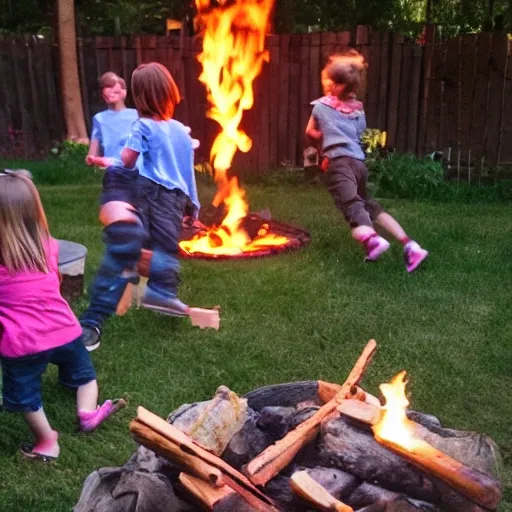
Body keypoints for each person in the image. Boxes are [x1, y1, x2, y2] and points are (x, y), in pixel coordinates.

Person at [0, 170, 125, 462]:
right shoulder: (50, 247)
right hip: (67, 330)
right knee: (84, 376)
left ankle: (46, 441)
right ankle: (87, 413)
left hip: (24, 342)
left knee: (24, 396)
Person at [306, 51, 428, 272]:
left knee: (351, 204)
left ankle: (372, 240)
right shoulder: (358, 110)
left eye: (326, 79)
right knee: (369, 205)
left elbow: (310, 133)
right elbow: (359, 133)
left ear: (334, 84)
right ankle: (410, 246)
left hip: (338, 164)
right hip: (358, 163)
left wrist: (323, 140)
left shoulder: (320, 106)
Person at [120, 62, 200, 316]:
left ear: (139, 95)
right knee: (164, 243)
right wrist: (192, 205)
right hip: (175, 196)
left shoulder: (142, 126)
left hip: (149, 190)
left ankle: (141, 279)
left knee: (148, 238)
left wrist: (123, 153)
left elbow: (128, 160)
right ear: (168, 92)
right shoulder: (180, 130)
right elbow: (187, 172)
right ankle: (158, 291)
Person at [79, 72, 146, 351]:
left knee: (144, 250)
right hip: (117, 177)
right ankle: (92, 320)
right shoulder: (99, 119)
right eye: (106, 88)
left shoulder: (137, 114)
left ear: (124, 90)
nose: (111, 92)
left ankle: (133, 281)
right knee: (124, 239)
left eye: (116, 87)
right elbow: (92, 152)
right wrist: (95, 158)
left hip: (146, 179)